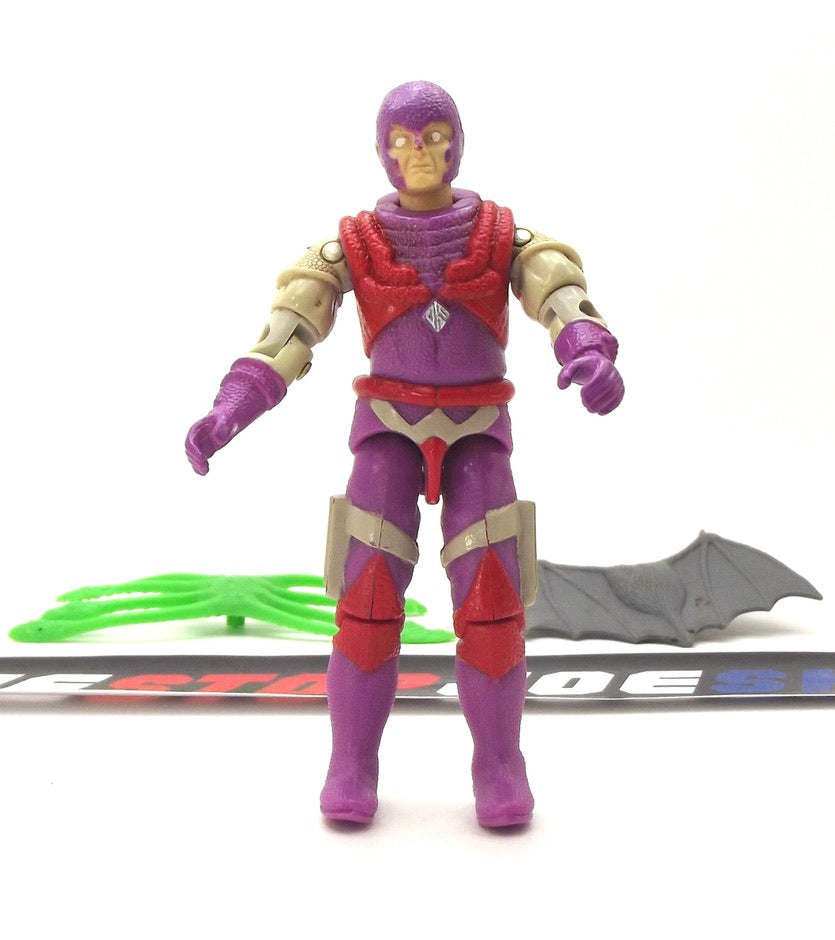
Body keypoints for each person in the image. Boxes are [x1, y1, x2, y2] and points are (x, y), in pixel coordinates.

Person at [186, 80, 624, 828]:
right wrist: (232, 407)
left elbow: (562, 300)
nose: (418, 154)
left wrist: (589, 350)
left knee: (492, 609)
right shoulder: (349, 246)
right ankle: (351, 762)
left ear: (458, 143)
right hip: (386, 433)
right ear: (382, 152)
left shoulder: (506, 237)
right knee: (364, 606)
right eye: (402, 141)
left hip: (477, 433)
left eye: (433, 138)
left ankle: (499, 765)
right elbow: (288, 333)